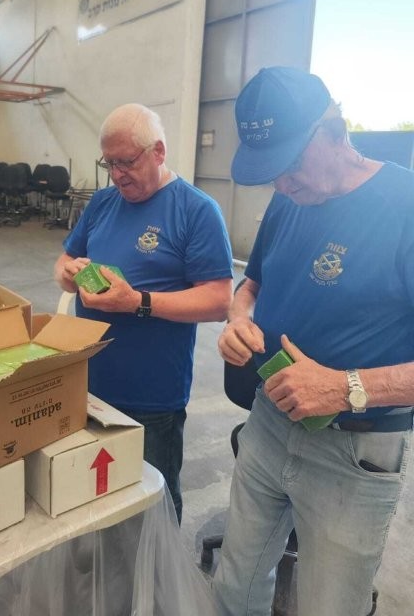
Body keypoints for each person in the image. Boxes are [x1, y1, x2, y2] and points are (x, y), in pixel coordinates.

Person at [212, 66, 414, 616]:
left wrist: (345, 387)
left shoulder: (404, 205)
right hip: (268, 423)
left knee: (330, 604)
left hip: (353, 450)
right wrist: (237, 318)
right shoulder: (290, 200)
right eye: (270, 173)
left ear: (334, 131)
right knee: (234, 584)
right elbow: (250, 284)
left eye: (290, 164)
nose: (281, 185)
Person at [54, 102, 233, 522]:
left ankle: (161, 567)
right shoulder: (102, 203)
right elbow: (64, 261)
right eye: (109, 163)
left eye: (127, 162)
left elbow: (218, 300)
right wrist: (70, 274)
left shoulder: (196, 210)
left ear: (158, 151)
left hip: (151, 395)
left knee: (155, 505)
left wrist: (138, 302)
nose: (117, 175)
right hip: (90, 383)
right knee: (97, 495)